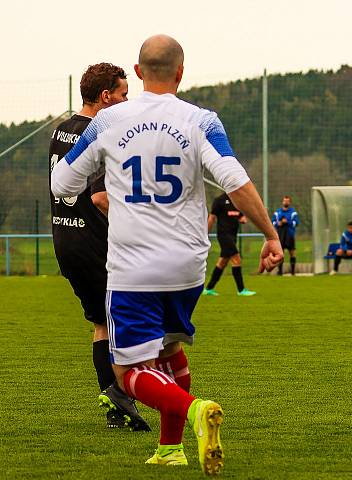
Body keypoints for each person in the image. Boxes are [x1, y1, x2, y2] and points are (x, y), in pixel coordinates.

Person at [51, 34, 283, 474]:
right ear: (181, 72)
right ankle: (171, 448)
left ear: (137, 73)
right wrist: (271, 235)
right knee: (171, 349)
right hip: (188, 265)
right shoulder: (203, 120)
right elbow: (236, 181)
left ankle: (195, 411)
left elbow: (63, 184)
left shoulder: (108, 121)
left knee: (129, 374)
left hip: (133, 267)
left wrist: (107, 167)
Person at [48, 62, 150, 431]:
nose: (127, 101)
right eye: (123, 94)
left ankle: (118, 407)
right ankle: (123, 400)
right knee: (129, 324)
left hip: (65, 239)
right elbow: (101, 197)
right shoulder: (101, 132)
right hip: (96, 243)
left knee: (102, 322)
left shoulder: (61, 130)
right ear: (106, 96)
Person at [203, 192, 256, 296]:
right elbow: (212, 218)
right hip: (224, 235)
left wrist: (243, 219)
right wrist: (205, 234)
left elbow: (241, 217)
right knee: (236, 259)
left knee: (222, 262)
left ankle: (209, 288)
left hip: (233, 236)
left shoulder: (238, 200)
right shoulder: (219, 200)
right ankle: (241, 290)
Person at [273, 195, 299, 275]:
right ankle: (280, 271)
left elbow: (296, 223)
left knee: (292, 252)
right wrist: (279, 223)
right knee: (281, 253)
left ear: (290, 202)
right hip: (280, 234)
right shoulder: (277, 212)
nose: (286, 202)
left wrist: (287, 222)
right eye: (284, 201)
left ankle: (293, 272)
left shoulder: (293, 212)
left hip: (290, 234)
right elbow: (273, 222)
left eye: (287, 201)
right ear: (282, 202)